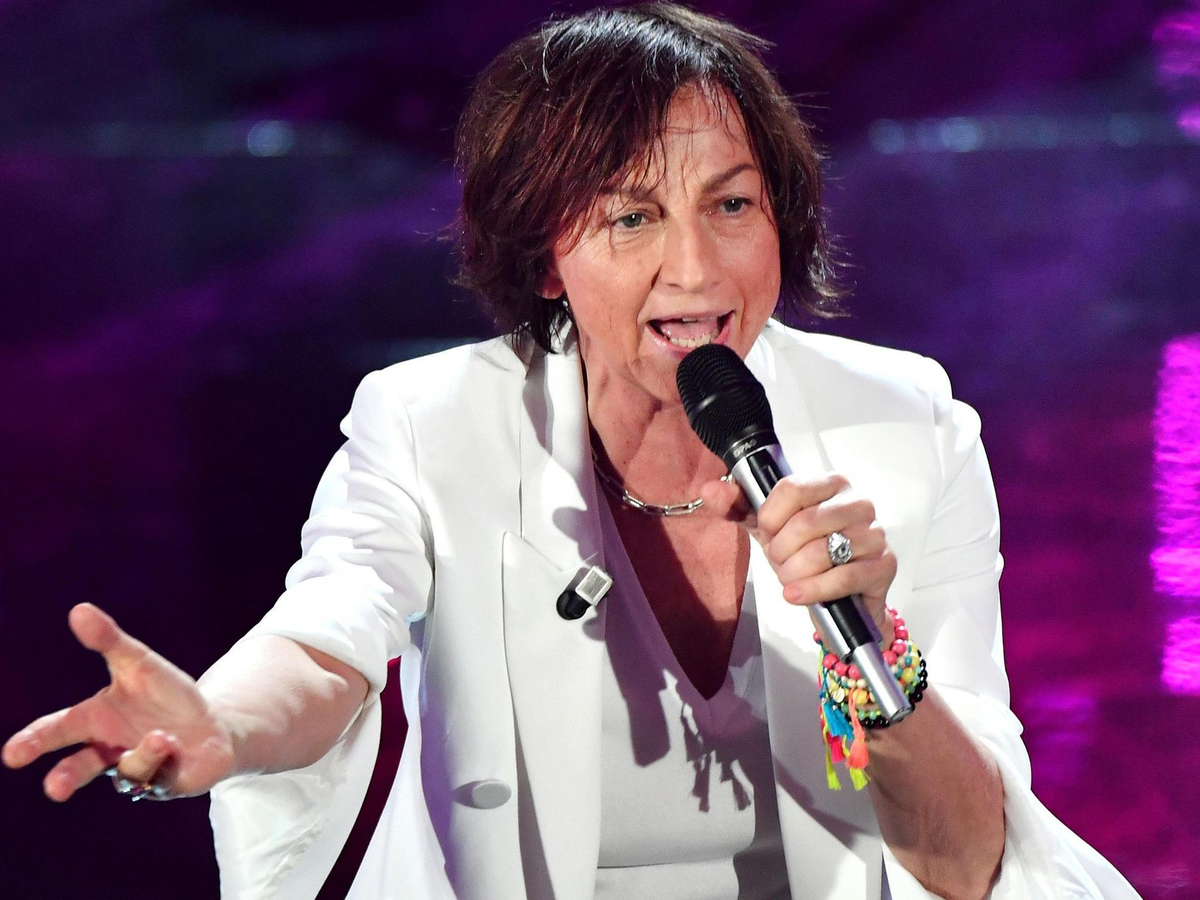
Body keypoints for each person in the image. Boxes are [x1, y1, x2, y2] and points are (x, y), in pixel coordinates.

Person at [2, 5, 1142, 900]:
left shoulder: (906, 427)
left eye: (733, 206)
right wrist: (219, 726)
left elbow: (971, 865)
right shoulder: (431, 422)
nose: (697, 271)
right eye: (631, 218)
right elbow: (328, 639)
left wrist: (870, 650)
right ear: (546, 256)